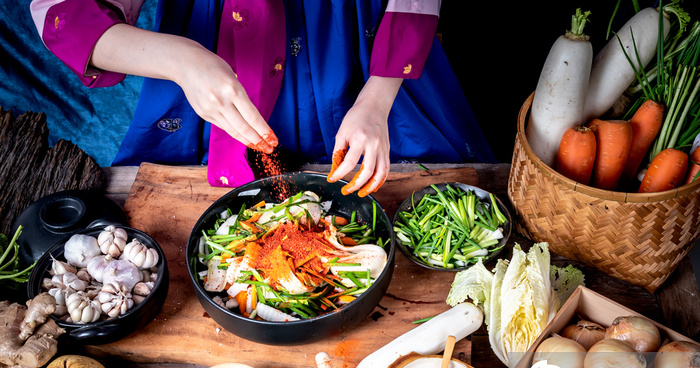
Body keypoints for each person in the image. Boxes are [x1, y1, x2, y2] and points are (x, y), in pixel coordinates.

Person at [30, 0, 495, 193]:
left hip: (366, 53)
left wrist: (375, 102)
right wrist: (185, 63)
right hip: (210, 51)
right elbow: (64, 17)